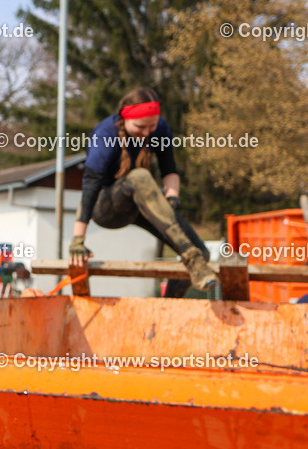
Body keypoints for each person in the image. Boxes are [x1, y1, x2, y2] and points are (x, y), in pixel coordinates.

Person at [70, 87, 217, 295]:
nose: (147, 133)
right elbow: (90, 187)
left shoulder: (160, 130)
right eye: (140, 126)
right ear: (124, 118)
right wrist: (78, 239)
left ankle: (167, 309)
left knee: (202, 252)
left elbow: (170, 170)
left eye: (152, 126)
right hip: (106, 207)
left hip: (139, 203)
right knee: (140, 177)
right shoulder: (105, 134)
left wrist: (172, 201)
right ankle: (190, 256)